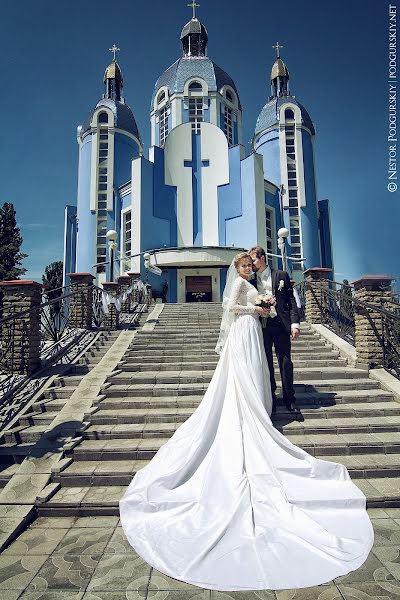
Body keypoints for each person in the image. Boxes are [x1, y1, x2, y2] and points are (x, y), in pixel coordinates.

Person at [119, 252, 374, 592]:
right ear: (237, 268)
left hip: (257, 330)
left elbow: (281, 302)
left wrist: (268, 307)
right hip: (244, 329)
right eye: (243, 265)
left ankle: (271, 403)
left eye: (249, 265)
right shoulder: (240, 284)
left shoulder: (261, 279)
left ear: (257, 263)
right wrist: (256, 308)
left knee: (261, 371)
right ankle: (249, 410)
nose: (247, 269)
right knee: (244, 374)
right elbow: (229, 308)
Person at [249, 246, 301, 417]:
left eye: (254, 260)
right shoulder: (250, 280)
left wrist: (295, 324)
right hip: (261, 327)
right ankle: (270, 398)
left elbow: (291, 300)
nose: (252, 264)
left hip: (281, 325)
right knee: (266, 364)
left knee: (286, 362)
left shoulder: (281, 275)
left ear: (263, 258)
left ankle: (289, 399)